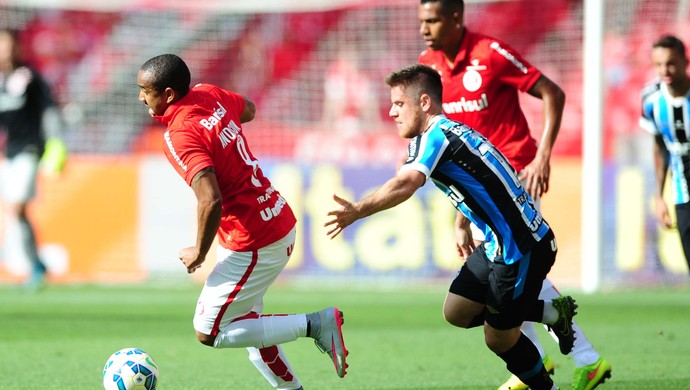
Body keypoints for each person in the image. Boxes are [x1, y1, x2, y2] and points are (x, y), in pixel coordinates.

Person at [326, 64, 577, 390]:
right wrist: (463, 221)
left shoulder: (434, 137)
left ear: (425, 103)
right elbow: (485, 178)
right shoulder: (454, 132)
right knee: (457, 311)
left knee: (498, 338)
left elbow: (407, 184)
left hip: (521, 246)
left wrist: (359, 209)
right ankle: (553, 314)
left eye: (399, 104)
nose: (391, 112)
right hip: (499, 242)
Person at [416, 1, 612, 389]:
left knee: (516, 262)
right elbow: (459, 148)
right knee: (507, 275)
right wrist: (462, 216)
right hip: (480, 188)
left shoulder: (490, 54)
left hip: (517, 173)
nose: (424, 28)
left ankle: (584, 359)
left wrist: (542, 157)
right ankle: (536, 361)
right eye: (421, 20)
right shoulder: (428, 65)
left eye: (433, 20)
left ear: (456, 18)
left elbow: (552, 92)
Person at [136, 54, 348, 390]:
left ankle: (316, 324)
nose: (140, 98)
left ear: (169, 95)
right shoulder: (209, 93)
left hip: (253, 239)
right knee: (251, 329)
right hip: (275, 218)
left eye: (145, 91)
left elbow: (211, 198)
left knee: (210, 331)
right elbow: (248, 109)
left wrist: (199, 252)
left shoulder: (178, 136)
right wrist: (221, 126)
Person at [0, 28, 67, 290]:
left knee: (17, 208)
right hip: (9, 153)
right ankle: (35, 263)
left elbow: (48, 110)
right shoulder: (1, 80)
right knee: (18, 212)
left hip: (30, 150)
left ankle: (30, 262)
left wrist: (55, 143)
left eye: (8, 44)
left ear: (18, 48)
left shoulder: (29, 77)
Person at [640, 34, 690, 274]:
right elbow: (659, 147)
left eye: (670, 63)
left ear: (685, 62)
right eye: (658, 65)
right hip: (682, 191)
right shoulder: (651, 99)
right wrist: (660, 198)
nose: (664, 70)